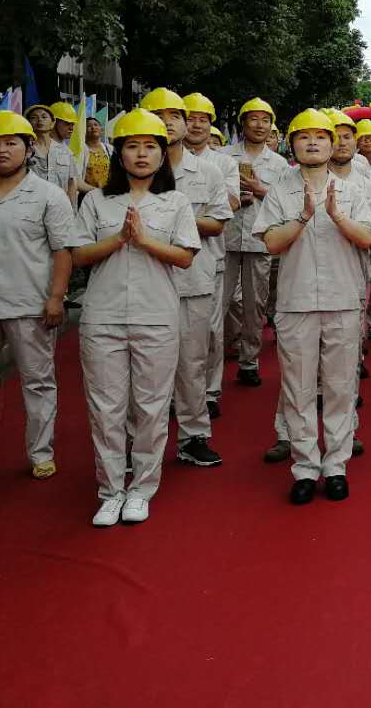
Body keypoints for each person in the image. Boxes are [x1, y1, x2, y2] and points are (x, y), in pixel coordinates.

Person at [70, 109, 200, 526]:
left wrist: (143, 241)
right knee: (105, 408)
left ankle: (142, 488)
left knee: (151, 406)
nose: (141, 155)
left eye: (150, 147)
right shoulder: (96, 200)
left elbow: (185, 256)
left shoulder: (176, 201)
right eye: (132, 146)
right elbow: (79, 254)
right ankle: (110, 491)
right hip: (103, 316)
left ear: (162, 155)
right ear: (119, 154)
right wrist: (118, 239)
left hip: (156, 316)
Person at [254, 109, 371, 505]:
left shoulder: (353, 189)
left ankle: (336, 465)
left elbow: (368, 238)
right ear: (291, 144)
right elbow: (271, 243)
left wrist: (337, 215)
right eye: (303, 137)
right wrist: (304, 216)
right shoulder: (280, 190)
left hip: (343, 298)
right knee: (298, 388)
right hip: (296, 301)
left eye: (320, 137)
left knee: (341, 387)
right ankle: (305, 466)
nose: (312, 143)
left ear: (332, 144)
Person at [139, 89, 232, 468]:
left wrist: (175, 219)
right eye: (158, 115)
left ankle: (194, 435)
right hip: (143, 281)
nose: (168, 122)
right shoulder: (132, 171)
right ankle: (137, 440)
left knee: (192, 363)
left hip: (193, 279)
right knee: (142, 367)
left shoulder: (207, 171)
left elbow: (218, 222)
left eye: (174, 116)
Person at [0, 110, 74, 479]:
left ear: (29, 148)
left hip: (29, 302)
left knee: (38, 381)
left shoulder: (49, 195)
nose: (2, 150)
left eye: (10, 143)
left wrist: (56, 297)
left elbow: (63, 250)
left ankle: (40, 452)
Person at [222, 97, 288, 387]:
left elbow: (286, 203)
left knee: (254, 304)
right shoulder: (224, 157)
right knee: (219, 302)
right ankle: (217, 355)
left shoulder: (280, 164)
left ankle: (249, 361)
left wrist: (260, 190)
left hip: (259, 240)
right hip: (224, 238)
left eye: (265, 120)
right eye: (253, 119)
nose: (260, 125)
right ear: (243, 123)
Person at [183, 92, 239, 421]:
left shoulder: (223, 163)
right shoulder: (162, 160)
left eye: (203, 119)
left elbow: (230, 204)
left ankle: (209, 391)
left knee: (210, 329)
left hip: (210, 257)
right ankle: (178, 393)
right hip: (164, 259)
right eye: (190, 118)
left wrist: (177, 215)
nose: (196, 124)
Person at [24, 104, 78, 205]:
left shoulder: (66, 152)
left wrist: (73, 209)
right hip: (31, 207)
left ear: (53, 123)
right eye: (34, 117)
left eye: (44, 117)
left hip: (59, 208)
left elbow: (71, 184)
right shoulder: (23, 150)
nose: (39, 120)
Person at [77, 115, 112, 197]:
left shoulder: (110, 149)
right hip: (88, 197)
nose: (93, 127)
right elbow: (76, 181)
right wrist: (98, 192)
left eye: (96, 125)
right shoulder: (80, 151)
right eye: (88, 126)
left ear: (101, 130)